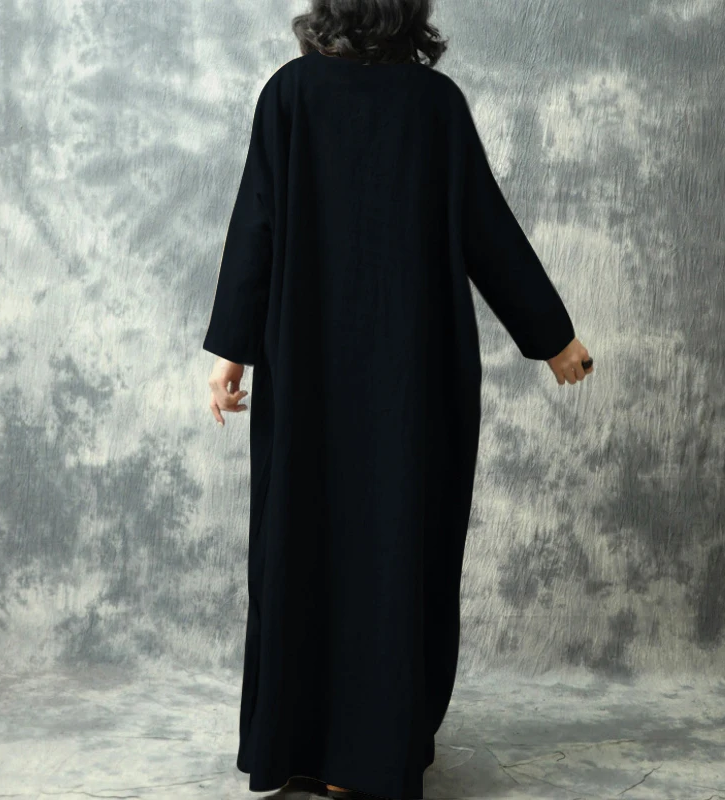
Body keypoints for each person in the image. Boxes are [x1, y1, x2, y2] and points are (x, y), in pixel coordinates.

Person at [202, 2, 594, 798]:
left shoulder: (291, 94)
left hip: (308, 373)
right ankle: (371, 761)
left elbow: (256, 225)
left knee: (301, 543)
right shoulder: (433, 105)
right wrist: (553, 337)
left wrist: (230, 352)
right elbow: (488, 230)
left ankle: (298, 749)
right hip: (416, 380)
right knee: (400, 550)